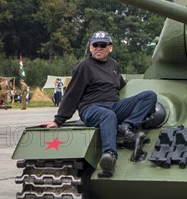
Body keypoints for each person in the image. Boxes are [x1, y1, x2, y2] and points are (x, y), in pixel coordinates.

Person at [41, 31, 157, 177]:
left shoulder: (113, 65)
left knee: (149, 96)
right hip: (91, 108)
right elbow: (72, 94)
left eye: (103, 45)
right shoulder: (84, 66)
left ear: (110, 48)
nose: (99, 48)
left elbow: (120, 84)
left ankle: (126, 126)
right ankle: (109, 156)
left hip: (113, 105)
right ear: (90, 47)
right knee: (108, 116)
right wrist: (58, 120)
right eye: (95, 44)